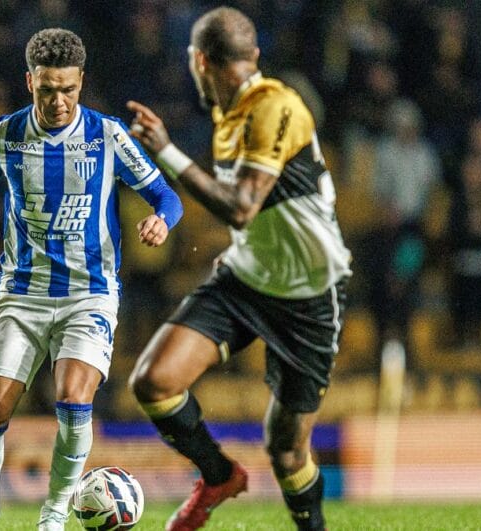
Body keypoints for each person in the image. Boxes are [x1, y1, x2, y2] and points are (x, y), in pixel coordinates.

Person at [0, 28, 183, 531]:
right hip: (21, 293)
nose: (59, 101)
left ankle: (53, 514)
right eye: (47, 90)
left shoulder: (107, 135)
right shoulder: (5, 135)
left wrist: (161, 220)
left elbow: (166, 197)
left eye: (67, 89)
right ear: (30, 82)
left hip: (90, 291)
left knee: (73, 395)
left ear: (80, 82)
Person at [126, 7, 351, 531]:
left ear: (199, 60)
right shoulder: (229, 114)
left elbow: (244, 204)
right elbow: (265, 212)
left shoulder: (276, 105)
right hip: (247, 279)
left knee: (287, 450)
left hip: (309, 294)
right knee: (154, 381)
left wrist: (168, 154)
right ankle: (218, 474)